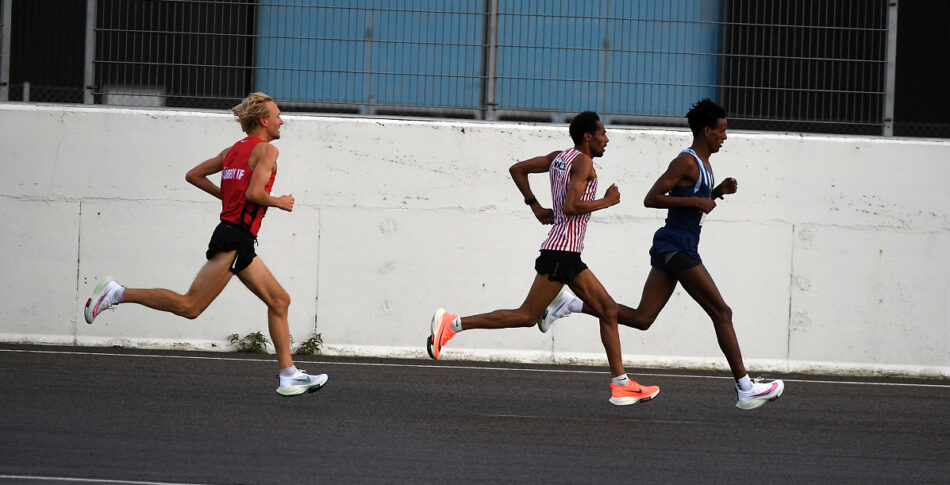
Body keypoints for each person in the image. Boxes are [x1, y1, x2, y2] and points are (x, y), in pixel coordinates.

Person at [539, 99, 784, 410]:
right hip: (676, 247)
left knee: (643, 319)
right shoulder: (686, 161)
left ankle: (571, 304)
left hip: (679, 245)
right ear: (706, 131)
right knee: (722, 312)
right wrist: (697, 202)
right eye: (722, 131)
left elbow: (691, 199)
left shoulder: (704, 165)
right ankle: (745, 387)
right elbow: (652, 198)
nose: (725, 136)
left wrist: (716, 193)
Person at [83, 92, 328, 397]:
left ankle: (289, 375)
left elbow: (194, 175)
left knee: (279, 301)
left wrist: (228, 197)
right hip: (234, 238)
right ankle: (117, 293)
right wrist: (279, 201)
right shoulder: (267, 151)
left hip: (237, 237)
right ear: (264, 121)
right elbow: (254, 194)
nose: (282, 121)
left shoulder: (233, 150)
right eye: (277, 115)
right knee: (190, 306)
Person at [427, 111, 660, 406]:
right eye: (602, 134)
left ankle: (619, 381)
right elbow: (571, 206)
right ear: (587, 136)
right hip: (562, 254)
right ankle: (452, 324)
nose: (607, 139)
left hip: (565, 253)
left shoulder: (558, 157)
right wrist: (607, 201)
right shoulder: (583, 162)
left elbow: (517, 169)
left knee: (608, 311)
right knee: (526, 315)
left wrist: (535, 206)